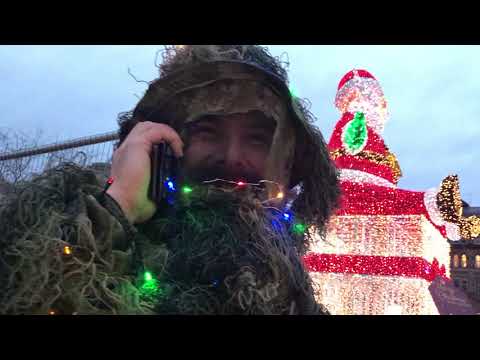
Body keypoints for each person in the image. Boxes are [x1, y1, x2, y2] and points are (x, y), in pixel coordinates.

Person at [0, 45, 340, 315]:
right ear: (161, 140)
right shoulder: (74, 231)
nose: (232, 155)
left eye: (257, 139)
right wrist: (118, 207)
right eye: (208, 132)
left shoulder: (284, 274)